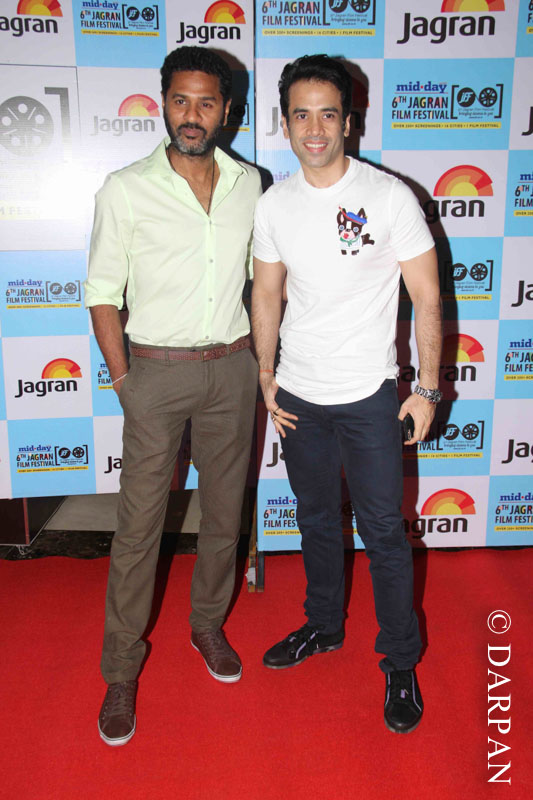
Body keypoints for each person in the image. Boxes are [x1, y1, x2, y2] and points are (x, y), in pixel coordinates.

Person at [251, 55, 442, 734]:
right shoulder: (274, 204)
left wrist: (426, 389)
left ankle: (399, 661)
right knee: (313, 519)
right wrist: (266, 373)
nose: (314, 128)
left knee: (383, 531)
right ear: (284, 124)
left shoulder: (387, 197)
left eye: (326, 114)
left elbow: (426, 297)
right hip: (299, 395)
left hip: (368, 396)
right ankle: (324, 625)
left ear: (348, 122)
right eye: (300, 115)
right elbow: (266, 293)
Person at [85, 46, 261, 746]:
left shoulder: (250, 184)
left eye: (206, 102)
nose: (193, 115)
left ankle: (207, 625)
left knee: (223, 513)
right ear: (163, 103)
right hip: (154, 373)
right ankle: (120, 669)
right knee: (138, 528)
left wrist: (263, 362)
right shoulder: (125, 188)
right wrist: (124, 379)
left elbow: (262, 281)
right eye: (181, 101)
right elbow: (102, 294)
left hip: (233, 368)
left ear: (227, 109)